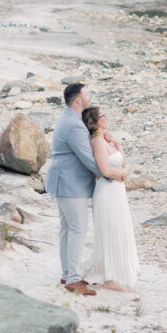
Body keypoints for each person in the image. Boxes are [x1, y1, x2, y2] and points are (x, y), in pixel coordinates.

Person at [45, 83, 125, 296]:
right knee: (77, 229)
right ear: (78, 99)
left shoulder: (68, 118)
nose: (90, 96)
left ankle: (67, 273)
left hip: (65, 181)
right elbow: (87, 158)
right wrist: (107, 174)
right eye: (87, 93)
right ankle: (73, 279)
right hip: (71, 184)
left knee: (68, 229)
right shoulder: (74, 125)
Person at [82, 106, 140, 291]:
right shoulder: (97, 143)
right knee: (109, 232)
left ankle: (113, 274)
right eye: (102, 115)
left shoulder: (106, 141)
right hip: (107, 192)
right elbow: (105, 170)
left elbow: (120, 163)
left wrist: (118, 145)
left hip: (117, 191)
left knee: (119, 229)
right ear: (95, 121)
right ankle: (109, 279)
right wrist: (121, 173)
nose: (106, 117)